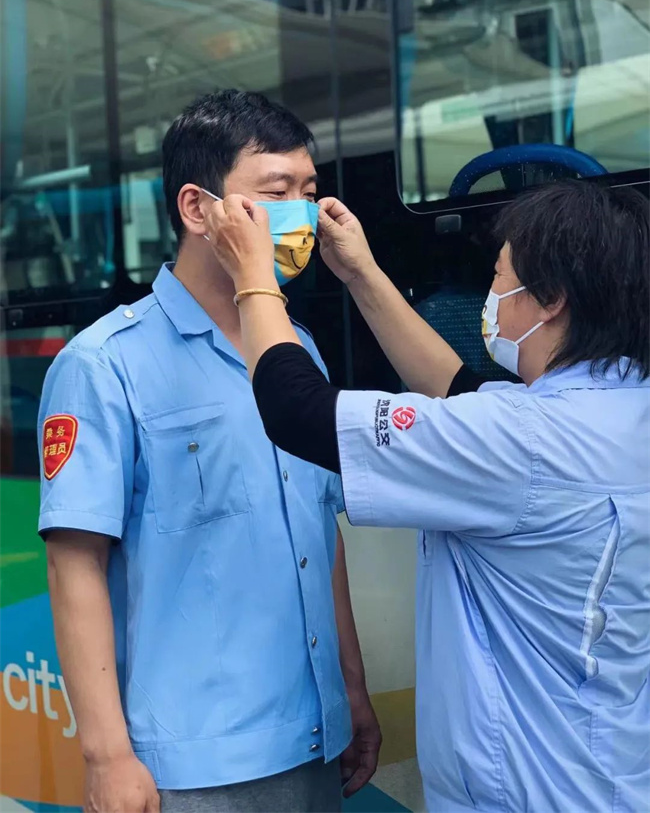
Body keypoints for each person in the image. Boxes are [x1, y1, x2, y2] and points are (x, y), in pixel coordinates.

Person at [201, 180, 650, 813]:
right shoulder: (613, 410)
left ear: (550, 300)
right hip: (612, 778)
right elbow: (456, 391)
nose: (491, 296)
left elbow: (295, 409)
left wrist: (252, 275)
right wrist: (361, 274)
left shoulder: (519, 441)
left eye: (499, 278)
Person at [38, 90, 380, 813]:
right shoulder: (103, 364)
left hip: (316, 739)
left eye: (309, 192)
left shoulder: (295, 352)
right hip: (196, 764)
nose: (300, 215)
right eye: (276, 193)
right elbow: (74, 565)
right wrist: (106, 756)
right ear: (197, 209)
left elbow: (321, 538)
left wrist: (350, 691)